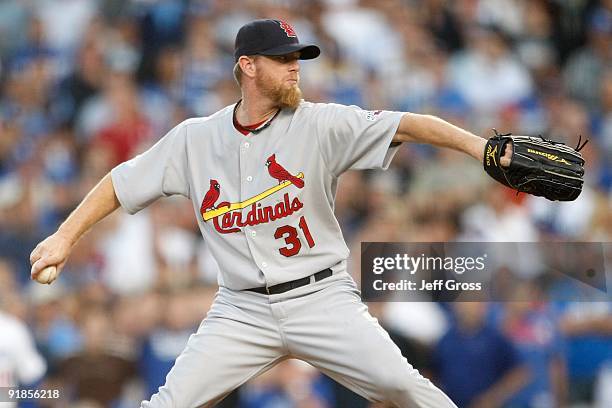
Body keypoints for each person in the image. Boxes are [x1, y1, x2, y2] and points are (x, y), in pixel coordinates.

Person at [30, 19, 513, 407]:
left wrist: (479, 146)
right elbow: (119, 182)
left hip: (322, 296)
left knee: (407, 390)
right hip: (241, 310)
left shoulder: (322, 123)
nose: (295, 67)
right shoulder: (195, 139)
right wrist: (64, 237)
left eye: (298, 58)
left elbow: (410, 124)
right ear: (248, 66)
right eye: (283, 59)